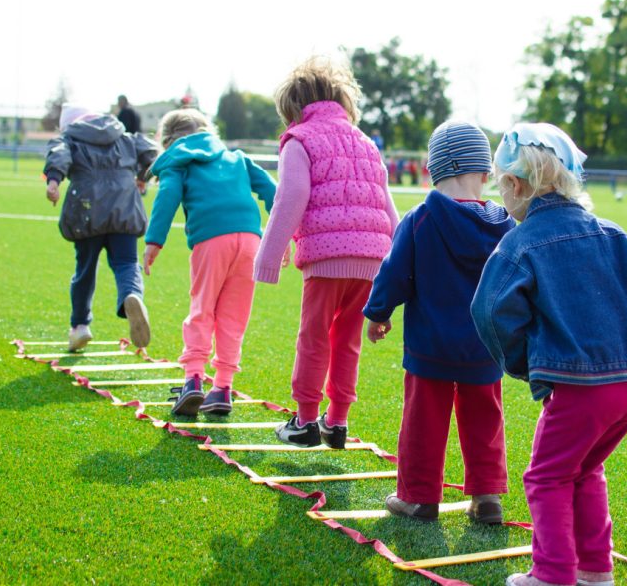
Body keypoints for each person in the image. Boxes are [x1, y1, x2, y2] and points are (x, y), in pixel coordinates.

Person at [471, 123, 627, 586]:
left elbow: (489, 310)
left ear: (515, 185)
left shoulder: (520, 242)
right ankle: (594, 571)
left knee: (546, 477)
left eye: (502, 186)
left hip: (583, 389)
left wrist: (525, 363)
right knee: (586, 469)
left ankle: (551, 575)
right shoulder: (612, 232)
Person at [364, 121, 515, 523]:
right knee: (485, 420)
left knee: (423, 422)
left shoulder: (420, 219)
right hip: (485, 347)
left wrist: (378, 313)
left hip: (429, 346)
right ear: (485, 174)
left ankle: (419, 496)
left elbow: (394, 273)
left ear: (432, 170)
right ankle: (487, 498)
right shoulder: (506, 225)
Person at [253, 56, 398, 448]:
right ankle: (336, 421)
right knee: (347, 339)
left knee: (313, 336)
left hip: (327, 257)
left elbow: (292, 196)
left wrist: (269, 255)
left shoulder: (299, 140)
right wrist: (399, 266)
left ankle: (303, 421)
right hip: (372, 259)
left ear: (294, 108)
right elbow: (388, 205)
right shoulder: (366, 142)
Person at [143, 109, 276, 416]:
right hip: (250, 241)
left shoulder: (178, 161)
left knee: (202, 308)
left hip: (211, 239)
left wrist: (154, 241)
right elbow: (273, 192)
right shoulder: (237, 158)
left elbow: (168, 196)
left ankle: (193, 380)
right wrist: (284, 235)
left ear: (167, 141)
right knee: (234, 316)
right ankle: (223, 388)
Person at [44, 104, 156, 352]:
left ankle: (80, 326)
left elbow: (59, 154)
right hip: (125, 207)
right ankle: (131, 295)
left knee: (85, 269)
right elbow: (149, 151)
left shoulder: (70, 138)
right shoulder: (123, 135)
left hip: (87, 211)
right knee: (127, 263)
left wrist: (53, 181)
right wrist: (142, 176)